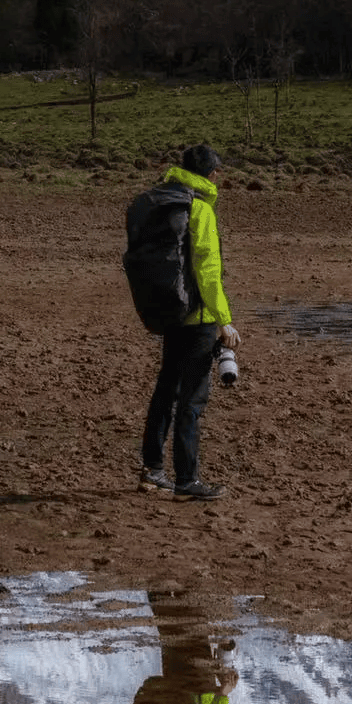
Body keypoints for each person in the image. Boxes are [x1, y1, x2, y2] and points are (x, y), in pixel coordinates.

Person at [138, 143, 238, 501]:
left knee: (166, 389)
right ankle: (187, 479)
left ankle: (153, 470)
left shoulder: (168, 201)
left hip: (171, 311)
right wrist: (223, 321)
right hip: (197, 318)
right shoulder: (200, 209)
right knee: (192, 400)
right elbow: (208, 272)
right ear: (212, 175)